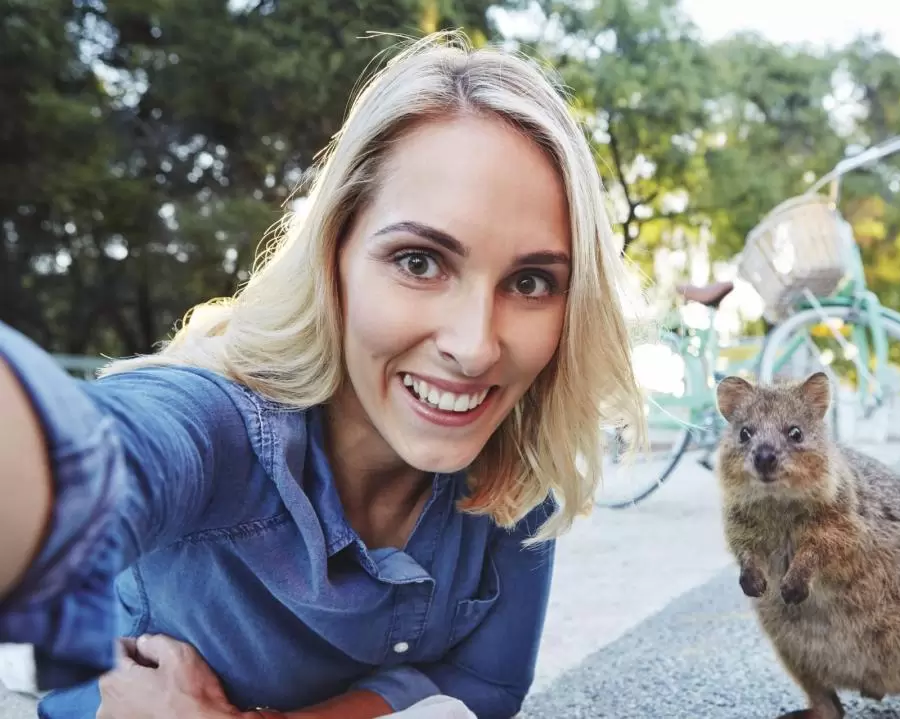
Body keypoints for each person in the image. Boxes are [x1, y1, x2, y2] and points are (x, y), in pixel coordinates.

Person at [0, 31, 645, 719]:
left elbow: (489, 685)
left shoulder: (517, 475)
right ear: (334, 252)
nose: (476, 345)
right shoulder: (217, 423)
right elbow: (89, 458)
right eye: (420, 261)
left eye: (530, 280)